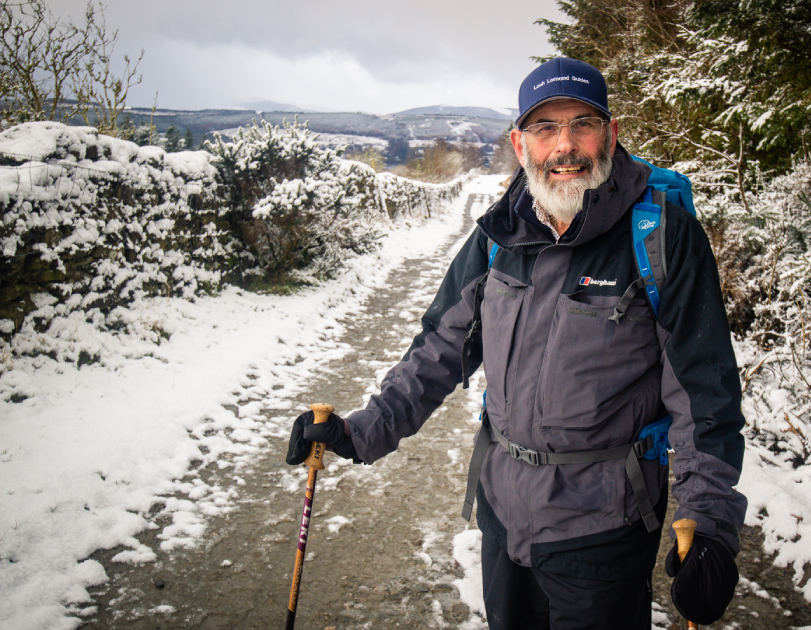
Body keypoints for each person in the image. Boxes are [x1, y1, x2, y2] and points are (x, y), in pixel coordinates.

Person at [286, 57, 747, 630]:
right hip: (503, 519)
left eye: (582, 124)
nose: (566, 146)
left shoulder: (661, 239)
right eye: (545, 128)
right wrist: (361, 430)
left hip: (603, 529)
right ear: (520, 143)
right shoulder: (501, 233)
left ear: (611, 134)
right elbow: (440, 348)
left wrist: (710, 525)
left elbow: (704, 394)